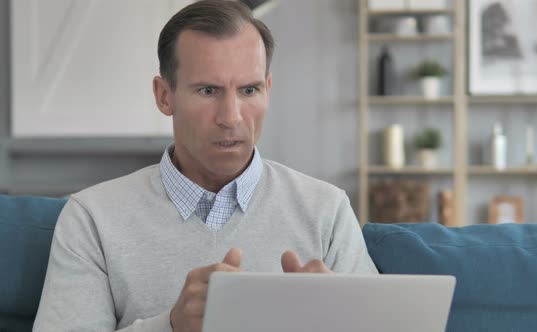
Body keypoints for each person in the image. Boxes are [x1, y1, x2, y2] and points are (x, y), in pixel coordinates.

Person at [33, 1, 377, 331]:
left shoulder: (326, 211)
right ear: (164, 95)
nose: (231, 117)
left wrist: (342, 319)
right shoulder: (91, 218)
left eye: (249, 89)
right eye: (208, 90)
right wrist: (170, 327)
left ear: (268, 89)